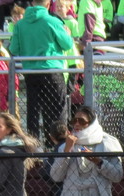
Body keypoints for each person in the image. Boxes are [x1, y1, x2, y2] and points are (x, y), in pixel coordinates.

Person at [9, 0, 75, 139]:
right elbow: (67, 44)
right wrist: (67, 34)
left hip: (31, 73)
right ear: (48, 4)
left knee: (33, 111)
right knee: (56, 111)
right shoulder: (53, 21)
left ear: (32, 3)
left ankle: (33, 146)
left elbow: (13, 49)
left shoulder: (20, 24)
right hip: (52, 71)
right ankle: (57, 146)